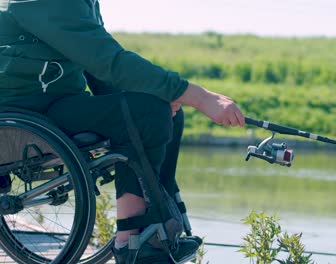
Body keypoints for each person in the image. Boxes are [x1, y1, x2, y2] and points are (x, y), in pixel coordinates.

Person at [0, 0, 244, 263]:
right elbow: (109, 62)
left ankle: (157, 226)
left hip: (52, 104)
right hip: (23, 116)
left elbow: (95, 65)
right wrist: (199, 96)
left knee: (165, 111)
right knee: (148, 112)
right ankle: (133, 242)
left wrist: (152, 97)